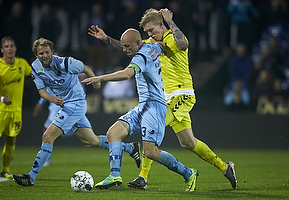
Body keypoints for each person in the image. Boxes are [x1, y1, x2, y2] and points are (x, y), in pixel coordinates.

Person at [88, 8, 237, 190]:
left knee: (148, 132)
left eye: (152, 30)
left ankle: (143, 177)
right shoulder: (153, 44)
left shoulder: (173, 38)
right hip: (165, 97)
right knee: (188, 143)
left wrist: (170, 21)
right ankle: (224, 167)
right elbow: (130, 47)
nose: (150, 35)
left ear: (161, 25)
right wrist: (105, 39)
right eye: (147, 33)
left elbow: (183, 45)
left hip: (181, 94)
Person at [12, 38, 141, 186]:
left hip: (75, 103)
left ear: (52, 52)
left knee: (47, 136)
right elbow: (42, 91)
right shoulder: (35, 68)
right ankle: (130, 148)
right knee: (91, 141)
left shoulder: (64, 63)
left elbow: (85, 68)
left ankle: (31, 177)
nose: (44, 55)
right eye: (41, 53)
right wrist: (53, 99)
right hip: (65, 105)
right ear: (36, 55)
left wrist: (96, 81)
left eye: (47, 52)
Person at [82, 28, 198, 192]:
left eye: (127, 46)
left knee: (151, 153)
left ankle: (188, 173)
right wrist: (106, 38)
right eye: (123, 46)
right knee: (113, 133)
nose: (124, 50)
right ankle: (115, 175)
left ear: (138, 43)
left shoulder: (141, 56)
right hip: (143, 105)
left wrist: (100, 77)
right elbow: (162, 46)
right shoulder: (152, 47)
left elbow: (126, 74)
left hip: (155, 108)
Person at [0, 36, 32, 178]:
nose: (10, 49)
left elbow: (33, 74)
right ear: (2, 50)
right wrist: (2, 98)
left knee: (11, 139)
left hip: (15, 110)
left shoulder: (22, 64)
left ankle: (5, 170)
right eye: (6, 46)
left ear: (15, 48)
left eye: (12, 46)